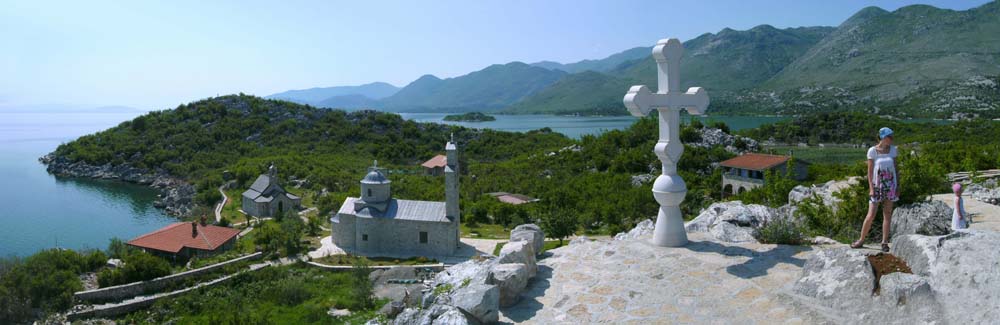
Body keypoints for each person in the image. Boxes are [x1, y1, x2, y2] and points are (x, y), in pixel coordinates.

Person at [852, 127, 898, 252]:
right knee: (871, 214)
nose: (891, 139)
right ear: (883, 137)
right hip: (877, 186)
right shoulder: (873, 151)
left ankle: (884, 242)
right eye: (889, 137)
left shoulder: (893, 150)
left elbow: (896, 169)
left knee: (887, 214)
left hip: (890, 185)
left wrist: (897, 186)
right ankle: (861, 239)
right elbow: (870, 172)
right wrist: (871, 188)